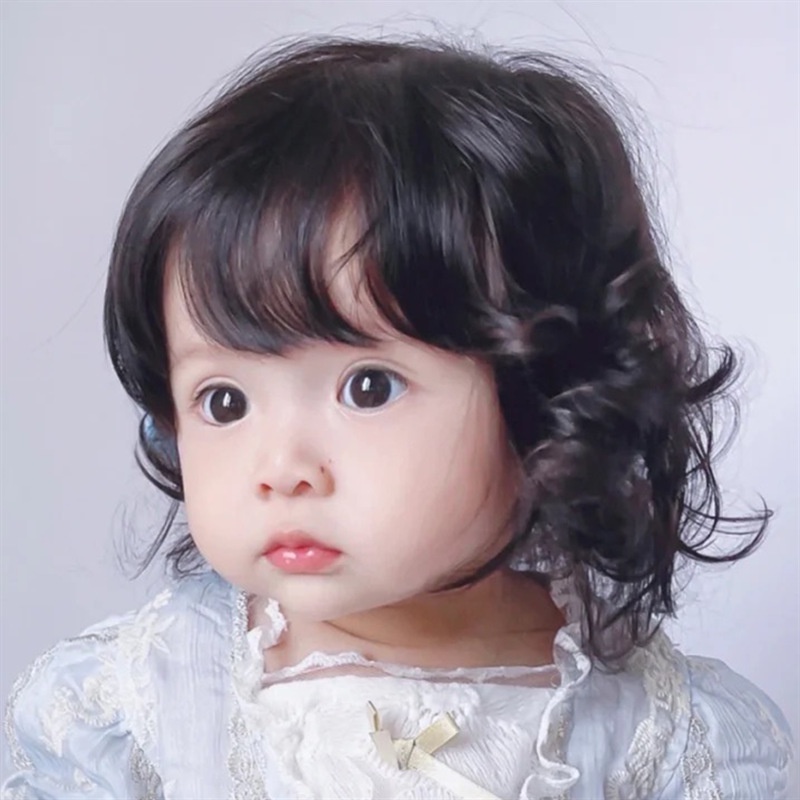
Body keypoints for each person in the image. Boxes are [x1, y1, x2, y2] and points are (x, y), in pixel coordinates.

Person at [2, 37, 794, 799]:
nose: (281, 469)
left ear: (547, 394)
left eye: (369, 387)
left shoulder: (667, 736)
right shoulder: (128, 713)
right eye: (225, 402)